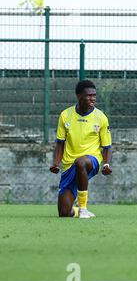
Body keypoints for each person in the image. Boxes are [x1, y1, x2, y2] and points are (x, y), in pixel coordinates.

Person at [50, 79, 112, 218]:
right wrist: (56, 163)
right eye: (89, 95)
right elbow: (60, 143)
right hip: (69, 164)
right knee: (64, 212)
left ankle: (83, 208)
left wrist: (106, 164)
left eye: (94, 95)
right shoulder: (65, 115)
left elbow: (107, 146)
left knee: (81, 162)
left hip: (92, 160)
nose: (92, 98)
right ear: (79, 96)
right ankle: (78, 211)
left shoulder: (101, 117)